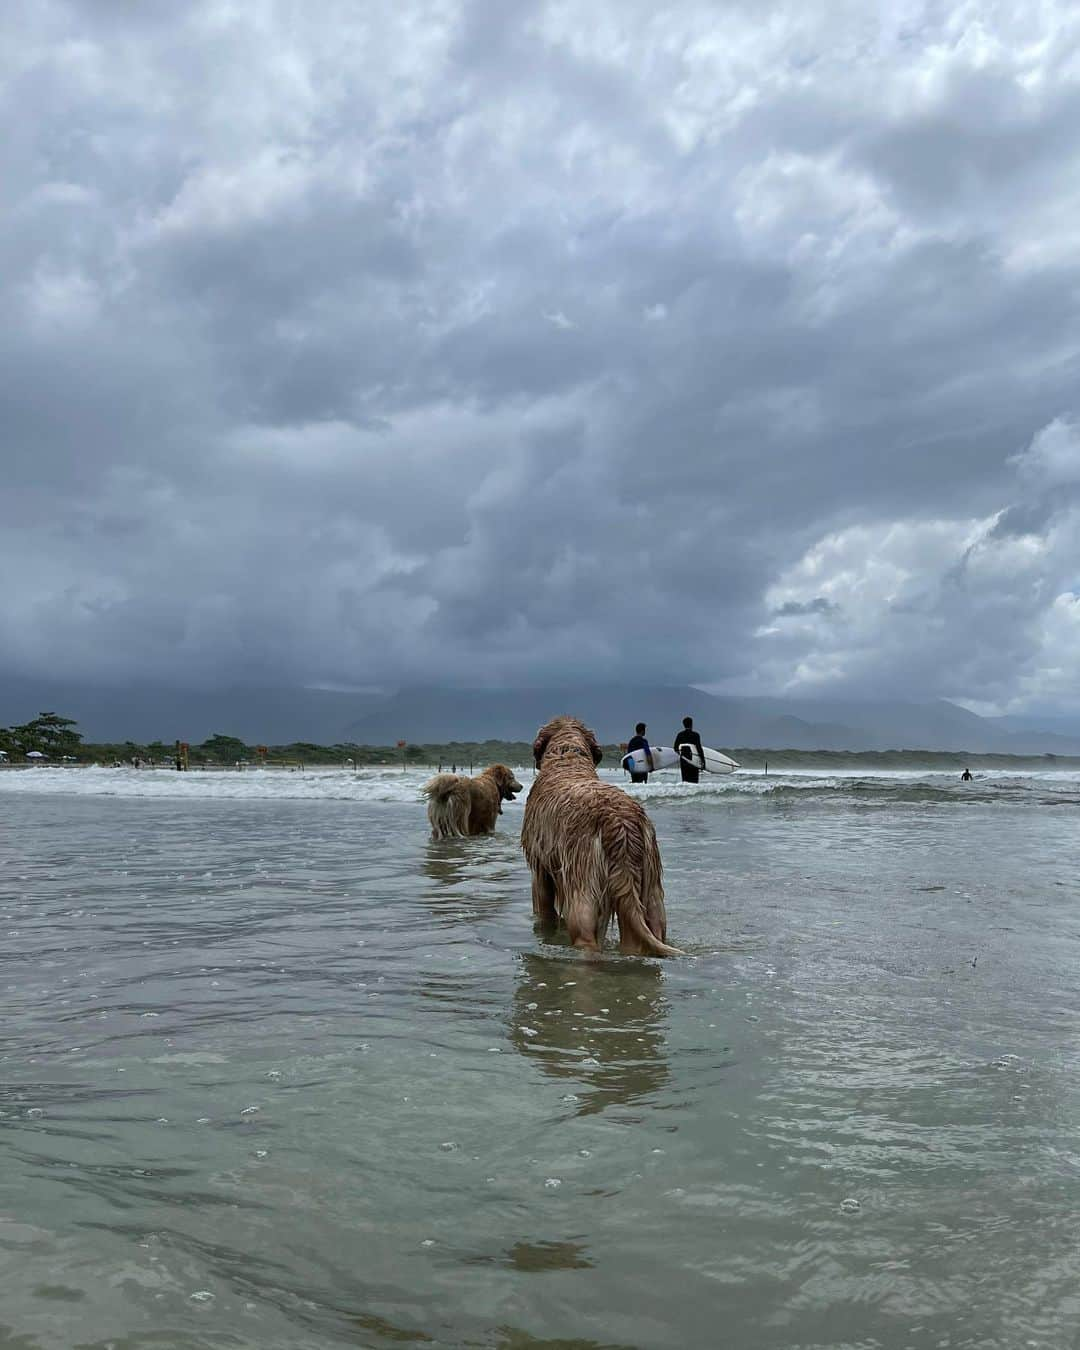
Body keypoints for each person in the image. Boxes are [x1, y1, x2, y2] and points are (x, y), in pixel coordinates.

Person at [673, 716, 705, 783]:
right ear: (692, 724)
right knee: (694, 781)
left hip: (684, 760)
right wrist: (703, 761)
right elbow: (699, 748)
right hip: (694, 759)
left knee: (685, 781)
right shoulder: (695, 735)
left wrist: (681, 755)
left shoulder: (680, 735)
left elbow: (675, 748)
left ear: (683, 725)